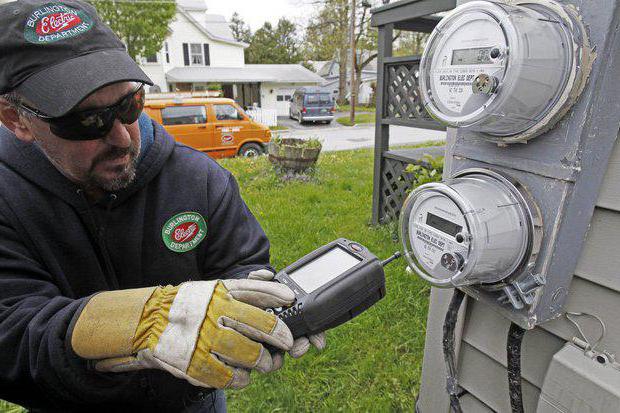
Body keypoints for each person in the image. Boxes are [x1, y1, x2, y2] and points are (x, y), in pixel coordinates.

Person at [0, 1, 325, 411]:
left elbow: (242, 264)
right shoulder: (6, 197)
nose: (121, 137)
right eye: (86, 121)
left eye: (129, 106)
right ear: (16, 119)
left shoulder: (201, 179)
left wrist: (258, 308)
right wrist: (132, 325)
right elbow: (11, 336)